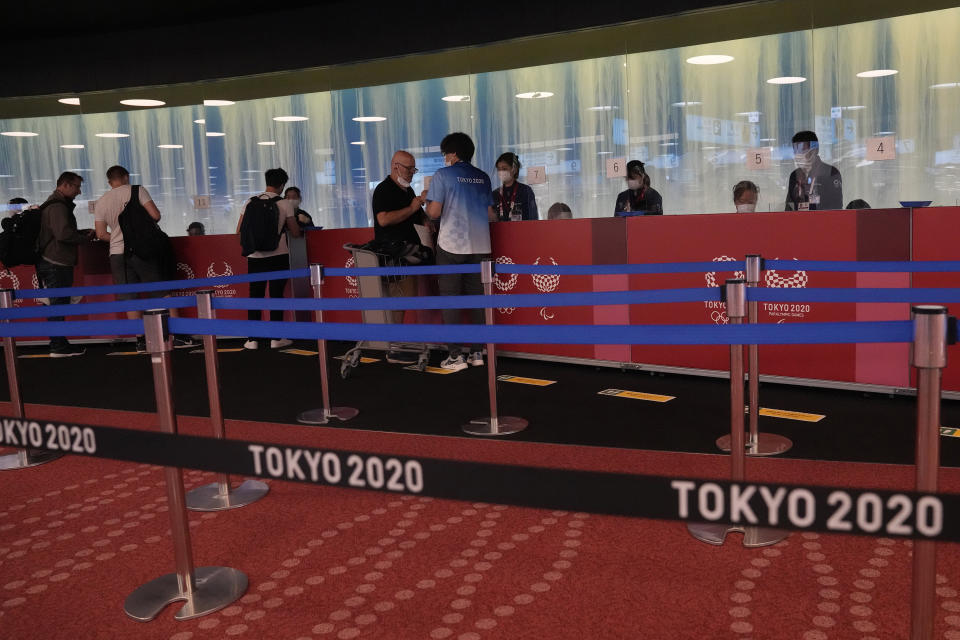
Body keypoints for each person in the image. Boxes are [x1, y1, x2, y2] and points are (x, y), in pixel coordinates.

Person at [94, 165, 198, 352]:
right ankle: (177, 336)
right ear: (126, 177)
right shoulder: (137, 190)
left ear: (109, 182)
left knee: (129, 297)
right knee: (161, 291)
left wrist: (120, 239)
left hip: (117, 254)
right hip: (142, 251)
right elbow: (155, 216)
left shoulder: (102, 201)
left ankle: (141, 341)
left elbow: (101, 234)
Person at [425, 132, 498, 372]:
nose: (445, 157)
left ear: (453, 153)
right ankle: (477, 352)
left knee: (451, 301)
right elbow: (491, 215)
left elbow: (434, 213)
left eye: (445, 153)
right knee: (477, 302)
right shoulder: (483, 177)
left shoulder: (443, 175)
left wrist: (426, 202)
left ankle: (455, 356)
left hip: (451, 246)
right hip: (481, 245)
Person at [237, 168, 302, 350]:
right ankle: (276, 338)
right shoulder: (285, 204)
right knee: (276, 295)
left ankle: (252, 339)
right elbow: (295, 232)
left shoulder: (250, 202)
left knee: (255, 295)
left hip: (254, 256)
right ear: (282, 185)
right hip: (278, 255)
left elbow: (239, 231)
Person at [372, 151, 428, 354]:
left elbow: (418, 216)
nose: (412, 172)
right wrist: (413, 208)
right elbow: (384, 220)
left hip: (407, 252)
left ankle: (395, 341)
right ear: (395, 166)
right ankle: (393, 344)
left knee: (403, 298)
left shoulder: (408, 190)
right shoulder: (383, 190)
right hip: (392, 252)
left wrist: (426, 219)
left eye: (414, 168)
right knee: (397, 298)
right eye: (409, 168)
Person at [36, 172, 92, 357]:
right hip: (56, 261)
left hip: (50, 260)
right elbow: (63, 234)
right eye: (76, 186)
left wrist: (80, 233)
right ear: (66, 185)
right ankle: (58, 346)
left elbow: (60, 232)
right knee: (58, 304)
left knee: (56, 303)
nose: (79, 191)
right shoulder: (58, 206)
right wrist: (84, 239)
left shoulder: (53, 204)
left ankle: (59, 343)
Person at [785, 131, 843, 211]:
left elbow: (836, 206)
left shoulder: (830, 172)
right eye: (795, 150)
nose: (798, 155)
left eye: (802, 150)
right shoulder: (795, 175)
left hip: (824, 221)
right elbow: (789, 207)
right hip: (799, 221)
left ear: (815, 150)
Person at [492, 152, 538, 221]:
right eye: (499, 169)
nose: (501, 172)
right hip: (500, 231)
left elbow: (533, 217)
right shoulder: (495, 194)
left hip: (522, 230)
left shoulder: (525, 191)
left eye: (504, 169)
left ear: (514, 169)